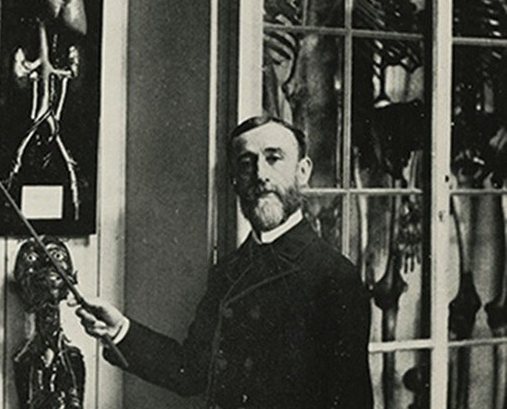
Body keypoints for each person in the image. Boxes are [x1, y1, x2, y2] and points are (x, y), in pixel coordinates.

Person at [75, 115, 373, 409]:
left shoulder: (334, 276)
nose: (260, 174)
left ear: (303, 171)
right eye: (246, 163)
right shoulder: (228, 272)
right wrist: (120, 330)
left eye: (274, 158)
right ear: (235, 180)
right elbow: (192, 371)